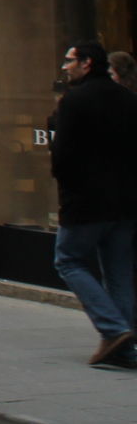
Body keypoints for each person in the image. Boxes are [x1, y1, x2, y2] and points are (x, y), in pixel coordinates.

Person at [50, 41, 137, 366]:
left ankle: (114, 330)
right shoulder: (129, 99)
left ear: (87, 64)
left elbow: (63, 156)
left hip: (86, 203)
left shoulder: (74, 101)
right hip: (126, 203)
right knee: (118, 272)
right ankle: (125, 349)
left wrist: (67, 192)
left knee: (68, 260)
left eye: (69, 60)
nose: (64, 67)